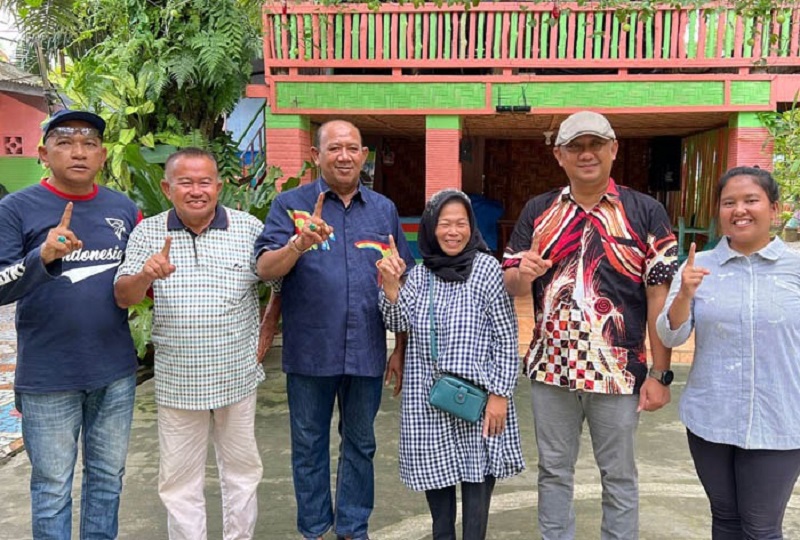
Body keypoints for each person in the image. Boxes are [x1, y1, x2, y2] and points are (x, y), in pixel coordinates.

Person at [501, 110, 678, 540]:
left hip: (618, 374)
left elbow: (659, 298)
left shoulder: (646, 212)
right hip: (551, 371)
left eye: (595, 144)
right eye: (575, 146)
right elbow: (511, 285)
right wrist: (523, 271)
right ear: (559, 155)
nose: (586, 154)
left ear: (613, 149)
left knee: (618, 476)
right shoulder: (538, 211)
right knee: (554, 473)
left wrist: (659, 373)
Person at [255, 120, 415, 540]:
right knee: (308, 446)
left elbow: (404, 281)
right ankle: (313, 528)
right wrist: (298, 244)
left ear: (364, 155)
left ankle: (352, 527)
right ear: (316, 155)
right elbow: (264, 268)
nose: (344, 156)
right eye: (334, 148)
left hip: (366, 349)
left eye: (352, 148)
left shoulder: (383, 210)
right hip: (310, 350)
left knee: (361, 444)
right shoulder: (290, 206)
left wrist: (400, 347)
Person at [0, 109, 139, 539]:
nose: (78, 152)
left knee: (106, 480)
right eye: (64, 142)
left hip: (114, 373)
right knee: (52, 487)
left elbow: (135, 279)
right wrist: (40, 257)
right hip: (48, 377)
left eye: (89, 143)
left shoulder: (123, 209)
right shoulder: (16, 208)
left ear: (102, 155)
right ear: (44, 153)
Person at [114, 148, 265, 540]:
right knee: (179, 481)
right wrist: (145, 274)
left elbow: (276, 284)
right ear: (167, 188)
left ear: (219, 186)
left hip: (237, 376)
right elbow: (124, 296)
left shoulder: (248, 228)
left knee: (243, 473)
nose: (196, 191)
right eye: (185, 182)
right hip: (178, 380)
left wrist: (265, 337)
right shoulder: (147, 232)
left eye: (204, 182)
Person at [657, 166, 800, 539]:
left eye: (751, 200)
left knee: (762, 527)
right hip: (711, 417)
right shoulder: (697, 267)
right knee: (725, 519)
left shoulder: (796, 268)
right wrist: (685, 293)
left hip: (780, 419)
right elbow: (671, 336)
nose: (740, 210)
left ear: (774, 207)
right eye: (729, 202)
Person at [377, 189, 525, 540]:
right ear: (431, 227)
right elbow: (399, 320)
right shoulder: (422, 273)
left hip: (479, 399)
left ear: (471, 227)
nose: (453, 232)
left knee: (476, 492)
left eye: (461, 223)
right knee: (440, 505)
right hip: (429, 400)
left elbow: (506, 337)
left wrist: (500, 394)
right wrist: (391, 285)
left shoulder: (487, 269)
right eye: (445, 224)